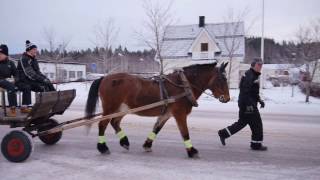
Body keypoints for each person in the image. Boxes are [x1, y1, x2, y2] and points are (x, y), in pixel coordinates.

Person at [218, 57, 267, 151]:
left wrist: (259, 100)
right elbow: (245, 92)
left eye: (261, 65)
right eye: (258, 65)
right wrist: (249, 106)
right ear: (253, 65)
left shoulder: (253, 74)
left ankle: (223, 133)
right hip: (248, 104)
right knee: (257, 124)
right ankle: (256, 145)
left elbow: (253, 92)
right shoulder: (249, 75)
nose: (260, 67)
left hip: (246, 103)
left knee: (242, 122)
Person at [0, 44, 31, 117]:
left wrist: (15, 79)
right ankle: (12, 108)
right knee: (11, 87)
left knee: (26, 86)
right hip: (1, 81)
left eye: (1, 54)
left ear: (6, 54)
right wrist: (5, 80)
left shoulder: (10, 63)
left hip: (10, 81)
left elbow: (16, 74)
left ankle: (24, 107)